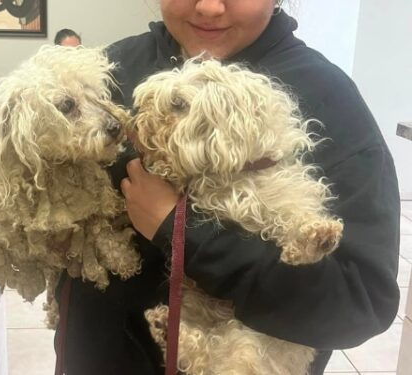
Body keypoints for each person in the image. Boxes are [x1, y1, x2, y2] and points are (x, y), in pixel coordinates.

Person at [55, 1, 401, 374]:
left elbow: (358, 303)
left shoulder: (329, 101)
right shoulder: (108, 71)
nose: (208, 7)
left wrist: (184, 232)